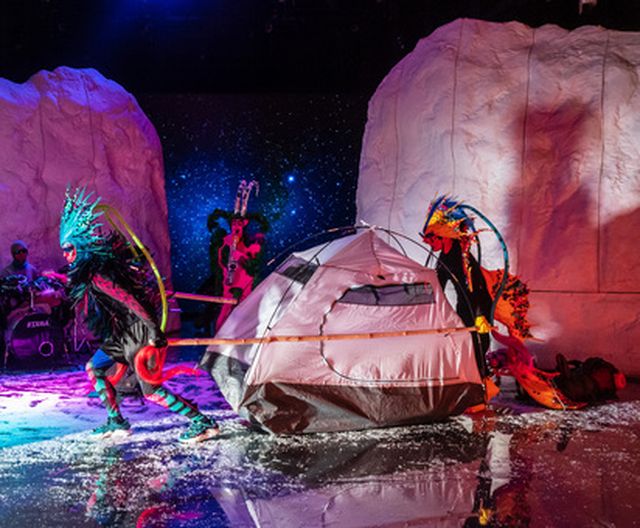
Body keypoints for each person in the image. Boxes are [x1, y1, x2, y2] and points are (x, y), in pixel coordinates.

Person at [59, 187, 219, 442]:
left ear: (80, 247)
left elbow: (129, 300)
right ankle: (116, 420)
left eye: (69, 249)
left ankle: (202, 422)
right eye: (64, 250)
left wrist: (153, 330)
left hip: (138, 332)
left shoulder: (98, 276)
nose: (66, 255)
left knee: (151, 390)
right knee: (94, 367)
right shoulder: (90, 273)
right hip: (123, 334)